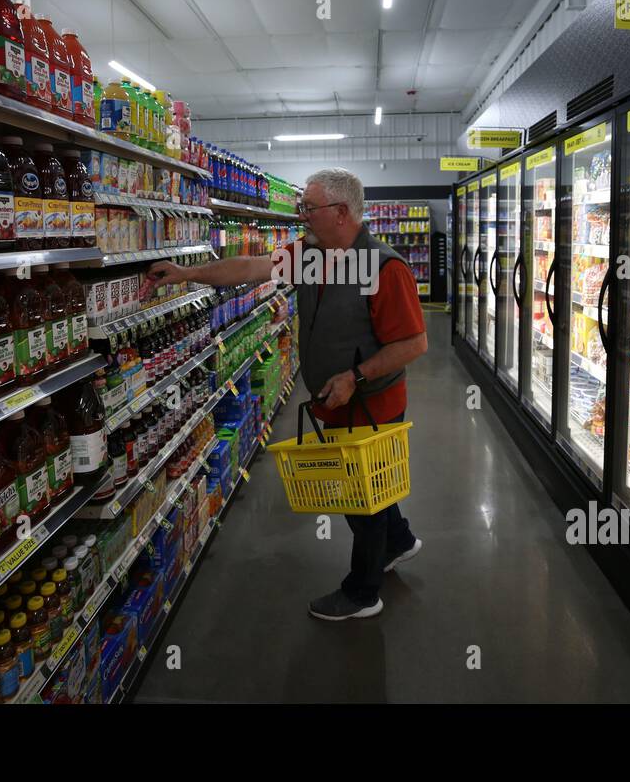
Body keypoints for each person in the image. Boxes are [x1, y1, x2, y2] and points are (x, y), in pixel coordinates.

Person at [140, 167, 427, 620]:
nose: (302, 216)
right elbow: (251, 267)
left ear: (340, 212)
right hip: (335, 401)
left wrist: (355, 375)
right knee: (371, 483)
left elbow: (413, 343)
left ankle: (362, 592)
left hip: (370, 404)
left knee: (360, 495)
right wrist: (186, 273)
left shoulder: (384, 267)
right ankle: (400, 541)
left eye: (308, 208)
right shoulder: (315, 255)